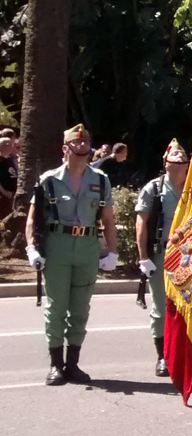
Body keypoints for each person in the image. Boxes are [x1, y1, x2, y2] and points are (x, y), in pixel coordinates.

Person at [24, 125, 119, 386]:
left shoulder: (100, 180)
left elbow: (108, 220)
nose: (81, 146)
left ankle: (73, 363)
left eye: (85, 142)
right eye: (76, 143)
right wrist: (32, 247)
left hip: (87, 245)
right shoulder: (49, 180)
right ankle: (56, 364)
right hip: (58, 244)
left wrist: (112, 252)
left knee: (80, 308)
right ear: (65, 148)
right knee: (56, 307)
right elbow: (34, 219)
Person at [134, 139, 190, 377]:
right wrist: (143, 257)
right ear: (165, 164)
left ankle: (186, 354)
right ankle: (163, 356)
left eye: (183, 159)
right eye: (173, 159)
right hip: (163, 253)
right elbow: (142, 223)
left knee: (188, 306)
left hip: (189, 257)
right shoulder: (154, 188)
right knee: (161, 308)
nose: (178, 162)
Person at [0, 136, 16, 219]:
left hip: (12, 196)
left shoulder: (10, 160)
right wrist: (5, 192)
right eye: (11, 144)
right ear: (6, 145)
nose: (13, 146)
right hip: (3, 198)